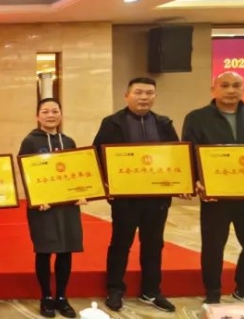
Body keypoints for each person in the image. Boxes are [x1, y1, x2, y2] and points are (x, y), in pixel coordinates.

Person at [182, 71, 244, 314]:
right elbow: (188, 152)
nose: (231, 90)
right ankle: (213, 292)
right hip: (216, 195)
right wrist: (195, 181)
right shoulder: (197, 117)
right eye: (224, 85)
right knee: (213, 246)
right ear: (213, 90)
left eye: (236, 85)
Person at [92, 78, 178, 313]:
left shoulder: (163, 123)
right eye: (138, 92)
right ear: (126, 95)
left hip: (157, 198)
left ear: (155, 96)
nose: (144, 97)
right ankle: (114, 289)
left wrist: (182, 182)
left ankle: (151, 291)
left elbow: (178, 156)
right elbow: (97, 155)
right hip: (125, 198)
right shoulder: (112, 123)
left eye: (149, 93)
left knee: (154, 244)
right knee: (121, 243)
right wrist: (105, 184)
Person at [19, 98, 84, 319]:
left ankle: (62, 296)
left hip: (67, 207)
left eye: (55, 111)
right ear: (37, 116)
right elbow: (26, 172)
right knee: (44, 250)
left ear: (61, 115)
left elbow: (77, 171)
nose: (50, 115)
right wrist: (36, 198)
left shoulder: (69, 141)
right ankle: (46, 296)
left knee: (66, 250)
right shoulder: (30, 141)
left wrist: (81, 192)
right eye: (45, 111)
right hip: (42, 207)